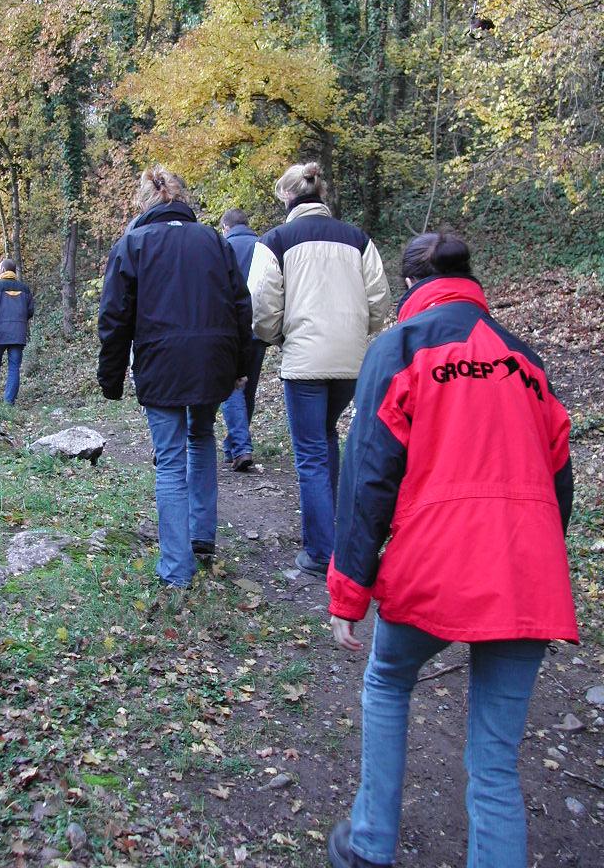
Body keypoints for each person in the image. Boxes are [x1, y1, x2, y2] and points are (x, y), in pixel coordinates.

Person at [327, 232, 578, 868]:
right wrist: (535, 563)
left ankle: (369, 842)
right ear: (470, 278)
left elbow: (368, 479)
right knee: (495, 762)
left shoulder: (400, 347)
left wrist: (349, 591)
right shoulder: (525, 359)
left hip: (435, 566)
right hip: (525, 571)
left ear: (411, 286)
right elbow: (560, 478)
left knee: (386, 680)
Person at [97, 166, 252, 588]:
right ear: (180, 198)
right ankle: (202, 536)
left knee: (168, 459)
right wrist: (238, 366)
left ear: (142, 202)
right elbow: (241, 306)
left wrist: (111, 378)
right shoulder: (214, 241)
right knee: (200, 437)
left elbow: (114, 318)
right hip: (211, 361)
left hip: (162, 362)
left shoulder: (133, 244)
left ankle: (176, 571)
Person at [248, 162, 390, 577]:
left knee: (310, 453)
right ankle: (336, 534)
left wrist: (276, 336)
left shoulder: (275, 240)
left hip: (305, 360)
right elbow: (378, 298)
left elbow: (261, 303)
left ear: (288, 199)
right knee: (327, 438)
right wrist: (359, 333)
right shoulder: (357, 239)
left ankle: (320, 552)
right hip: (349, 360)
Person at [218, 208, 267, 471]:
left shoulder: (222, 247)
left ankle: (240, 446)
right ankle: (234, 446)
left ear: (226, 226)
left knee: (232, 386)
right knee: (248, 387)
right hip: (259, 329)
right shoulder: (263, 246)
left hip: (230, 327)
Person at [0, 258, 34, 405]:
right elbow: (30, 311)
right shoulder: (25, 288)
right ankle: (9, 402)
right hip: (18, 333)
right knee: (14, 367)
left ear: (2, 270)